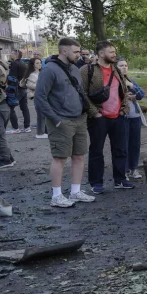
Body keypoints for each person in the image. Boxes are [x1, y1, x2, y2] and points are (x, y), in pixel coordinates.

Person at [34, 37, 95, 208]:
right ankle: (56, 196)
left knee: (79, 156)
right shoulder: (49, 70)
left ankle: (75, 191)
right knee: (60, 158)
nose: (79, 54)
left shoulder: (74, 69)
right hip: (61, 121)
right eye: (75, 52)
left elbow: (81, 92)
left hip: (79, 119)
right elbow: (40, 98)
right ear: (64, 51)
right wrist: (55, 120)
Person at [80, 40, 134, 193]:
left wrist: (124, 109)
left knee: (120, 149)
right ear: (101, 54)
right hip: (98, 118)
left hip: (118, 116)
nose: (114, 54)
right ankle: (96, 183)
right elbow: (81, 93)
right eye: (111, 52)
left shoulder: (116, 69)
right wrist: (94, 112)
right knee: (97, 150)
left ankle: (120, 179)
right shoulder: (87, 70)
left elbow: (123, 90)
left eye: (114, 52)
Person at [118, 57, 146, 180]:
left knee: (135, 144)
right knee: (123, 145)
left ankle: (133, 168)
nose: (124, 67)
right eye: (121, 66)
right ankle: (124, 170)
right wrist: (124, 96)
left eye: (126, 65)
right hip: (122, 117)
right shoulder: (113, 81)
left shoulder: (131, 80)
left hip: (135, 116)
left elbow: (141, 95)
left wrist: (132, 86)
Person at [4, 50, 30, 134]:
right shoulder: (23, 63)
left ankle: (15, 128)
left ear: (16, 54)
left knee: (10, 107)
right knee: (24, 107)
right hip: (23, 87)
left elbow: (12, 78)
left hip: (16, 88)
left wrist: (8, 89)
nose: (10, 54)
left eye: (12, 53)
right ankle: (27, 126)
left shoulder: (14, 64)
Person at [23, 58, 47, 139]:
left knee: (44, 115)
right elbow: (29, 85)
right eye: (37, 63)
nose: (39, 64)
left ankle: (43, 132)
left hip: (42, 96)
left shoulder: (40, 72)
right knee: (41, 116)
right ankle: (40, 133)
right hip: (37, 96)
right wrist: (42, 87)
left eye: (40, 63)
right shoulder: (33, 74)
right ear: (33, 65)